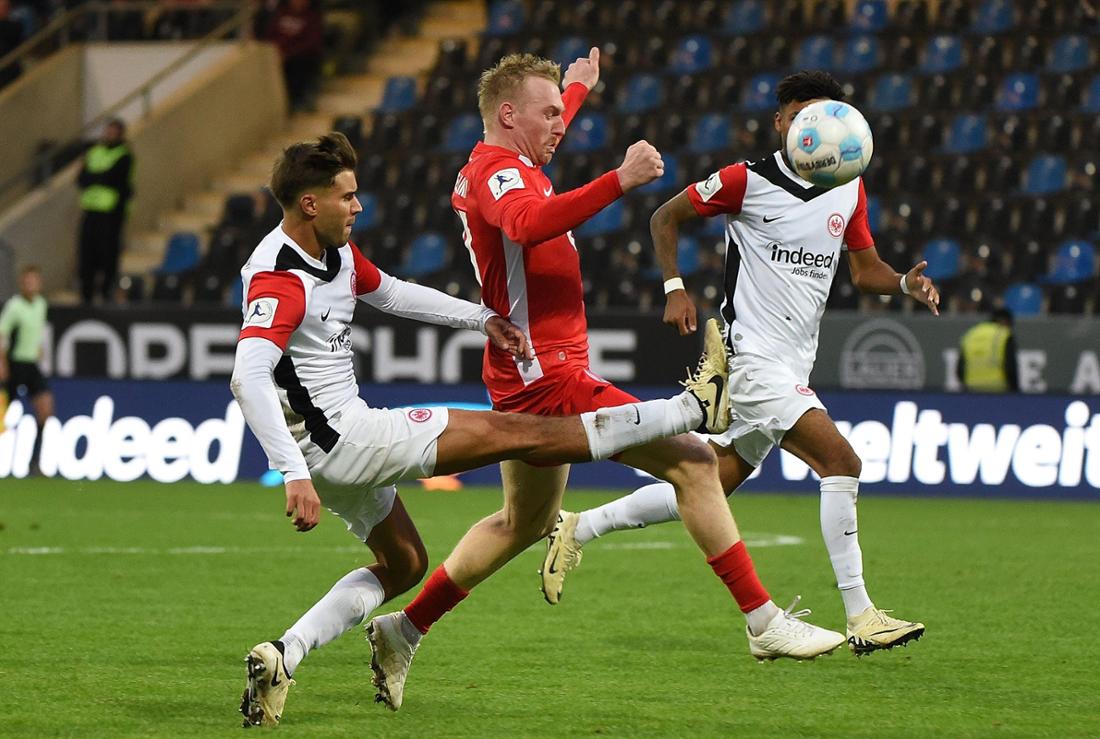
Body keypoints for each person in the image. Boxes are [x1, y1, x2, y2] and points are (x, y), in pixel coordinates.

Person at [363, 52, 847, 714]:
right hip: (547, 376)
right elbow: (528, 224)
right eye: (550, 114)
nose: (561, 125)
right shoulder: (498, 173)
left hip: (530, 372)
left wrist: (575, 89)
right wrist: (619, 178)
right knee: (695, 464)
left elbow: (539, 134)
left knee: (522, 521)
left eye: (561, 113)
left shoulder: (512, 158)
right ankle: (764, 621)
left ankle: (404, 628)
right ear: (509, 115)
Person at [233, 132, 732, 728]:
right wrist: (292, 473)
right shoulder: (282, 278)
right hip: (343, 440)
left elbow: (390, 292)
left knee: (405, 563)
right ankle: (688, 410)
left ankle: (284, 655)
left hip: (330, 451)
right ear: (310, 203)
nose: (358, 206)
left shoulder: (332, 251)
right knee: (523, 432)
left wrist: (480, 319)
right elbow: (247, 376)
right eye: (347, 197)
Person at [545, 70, 939, 656]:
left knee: (713, 478)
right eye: (800, 117)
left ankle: (581, 525)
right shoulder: (745, 180)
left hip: (794, 361)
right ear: (781, 123)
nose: (812, 130)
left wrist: (904, 282)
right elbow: (664, 217)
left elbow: (865, 271)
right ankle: (862, 614)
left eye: (822, 116)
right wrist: (675, 287)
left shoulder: (847, 186)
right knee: (840, 460)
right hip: (751, 359)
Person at [0, 265, 54, 470]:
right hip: (13, 365)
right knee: (1, 415)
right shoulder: (14, 306)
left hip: (31, 365)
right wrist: (2, 363)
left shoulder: (41, 304)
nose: (30, 284)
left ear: (39, 283)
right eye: (26, 280)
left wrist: (38, 349)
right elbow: (2, 334)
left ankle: (35, 461)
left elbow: (35, 332)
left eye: (33, 280)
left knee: (46, 408)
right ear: (21, 283)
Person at [76, 118, 134, 304]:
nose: (109, 135)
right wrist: (100, 177)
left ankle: (107, 293)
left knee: (108, 255)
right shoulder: (94, 152)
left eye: (113, 132)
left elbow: (115, 179)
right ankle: (86, 295)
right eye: (108, 131)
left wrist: (96, 177)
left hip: (111, 214)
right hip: (90, 211)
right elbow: (81, 179)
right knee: (86, 255)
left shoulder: (124, 155)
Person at [265, 0, 323, 111]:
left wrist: (288, 53)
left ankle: (296, 100)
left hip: (299, 56)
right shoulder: (281, 13)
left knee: (298, 66)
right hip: (276, 53)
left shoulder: (312, 16)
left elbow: (312, 42)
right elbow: (270, 35)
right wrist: (274, 52)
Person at [957, 307, 1019, 392]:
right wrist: (1015, 391)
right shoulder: (1004, 335)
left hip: (971, 390)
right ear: (1005, 321)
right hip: (998, 391)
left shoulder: (970, 334)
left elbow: (960, 369)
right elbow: (1010, 367)